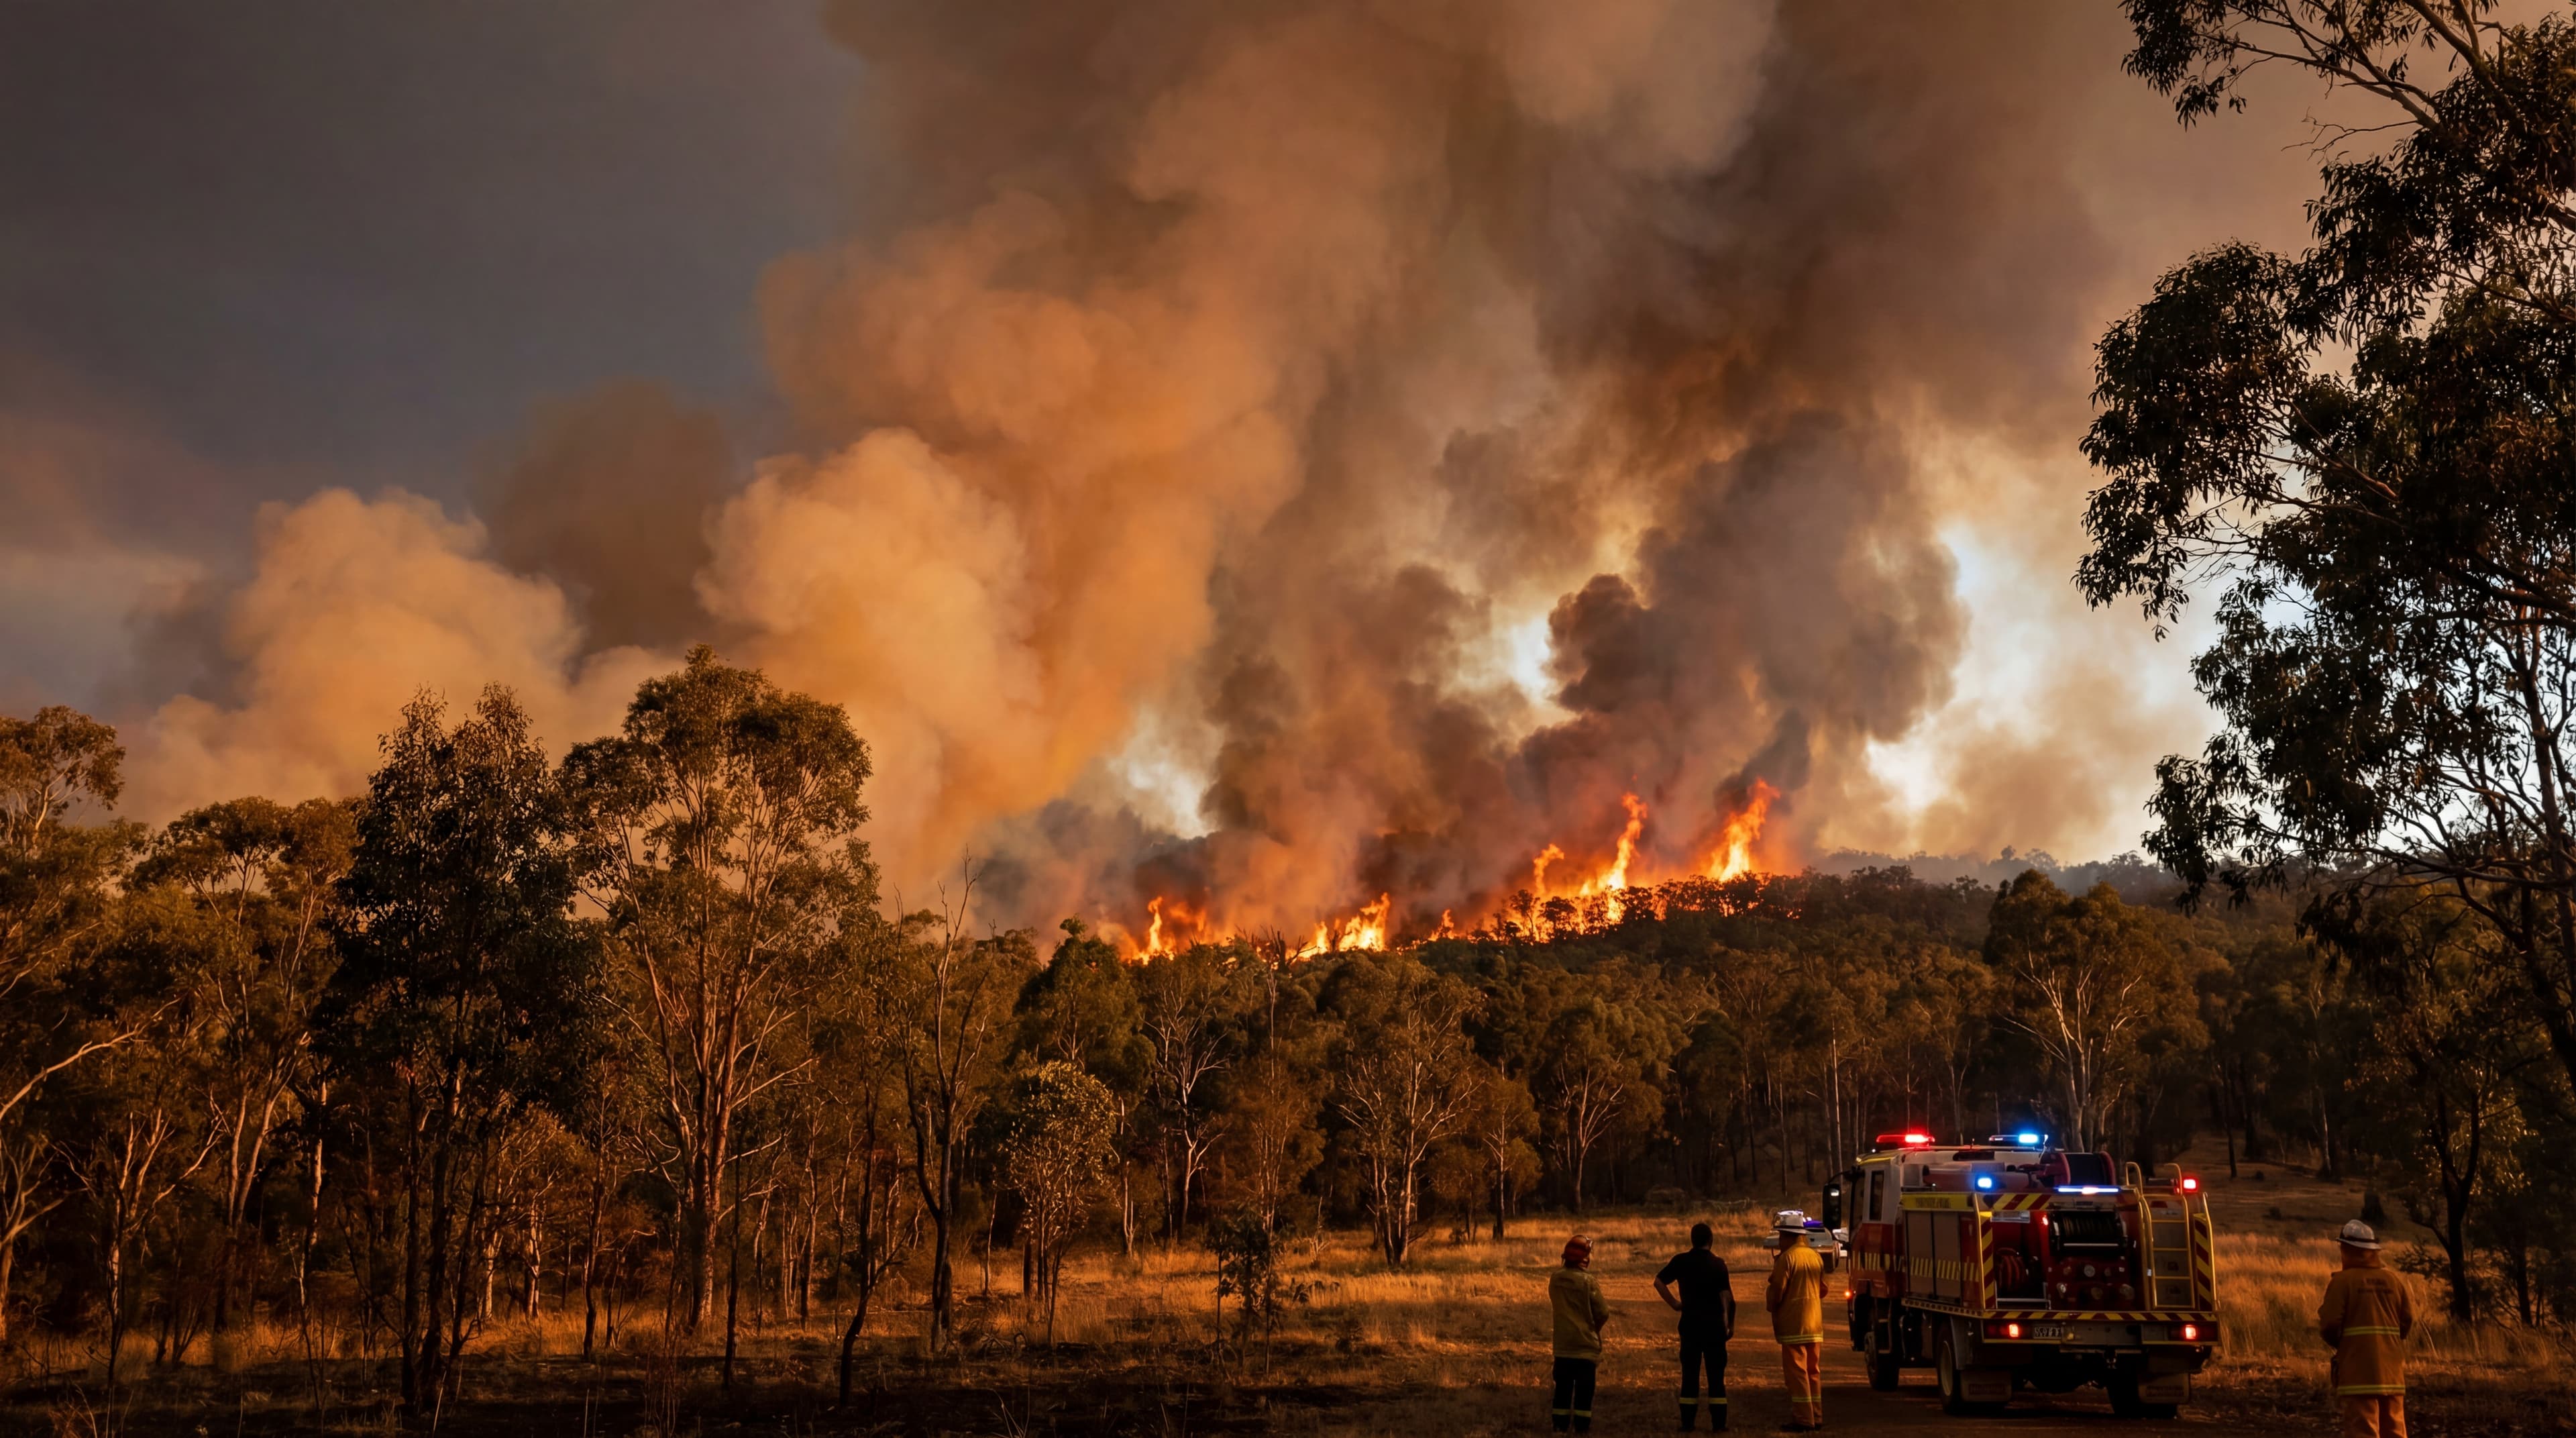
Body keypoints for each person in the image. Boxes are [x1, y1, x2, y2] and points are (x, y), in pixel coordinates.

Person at [2318, 1219, 2415, 1438]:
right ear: (2373, 1251)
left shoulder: (2343, 1282)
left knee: (2363, 1431)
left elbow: (2329, 1325)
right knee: (2395, 1431)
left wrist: (2344, 1346)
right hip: (2392, 1374)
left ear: (2347, 1249)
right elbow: (2406, 1322)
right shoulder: (2393, 1281)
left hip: (2358, 1374)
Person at [1655, 1220, 1737, 1431]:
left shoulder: (1681, 1261)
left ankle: (1687, 1424)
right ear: (1711, 1241)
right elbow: (1726, 1297)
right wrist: (1729, 1325)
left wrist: (1675, 1304)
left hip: (1690, 1326)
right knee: (1716, 1378)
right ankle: (1719, 1425)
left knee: (1690, 1376)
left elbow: (1659, 1281)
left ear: (1692, 1240)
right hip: (1714, 1329)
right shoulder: (1718, 1264)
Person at [1765, 1210, 1825, 1431]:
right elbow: (1823, 1289)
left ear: (1790, 1236)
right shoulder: (1815, 1257)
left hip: (1794, 1326)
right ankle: (1816, 1416)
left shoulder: (1787, 1259)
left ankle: (1803, 1419)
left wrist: (1771, 1303)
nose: (1779, 1241)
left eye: (1781, 1236)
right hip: (1815, 1325)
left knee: (1797, 1374)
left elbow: (1777, 1292)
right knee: (1813, 1373)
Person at [1550, 1233, 1611, 1433]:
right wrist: (1594, 1328)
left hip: (1563, 1347)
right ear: (1584, 1258)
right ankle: (1582, 1429)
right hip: (1585, 1348)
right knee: (1585, 1393)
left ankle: (1559, 1427)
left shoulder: (1556, 1279)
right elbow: (1602, 1313)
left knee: (1562, 1391)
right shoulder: (1589, 1282)